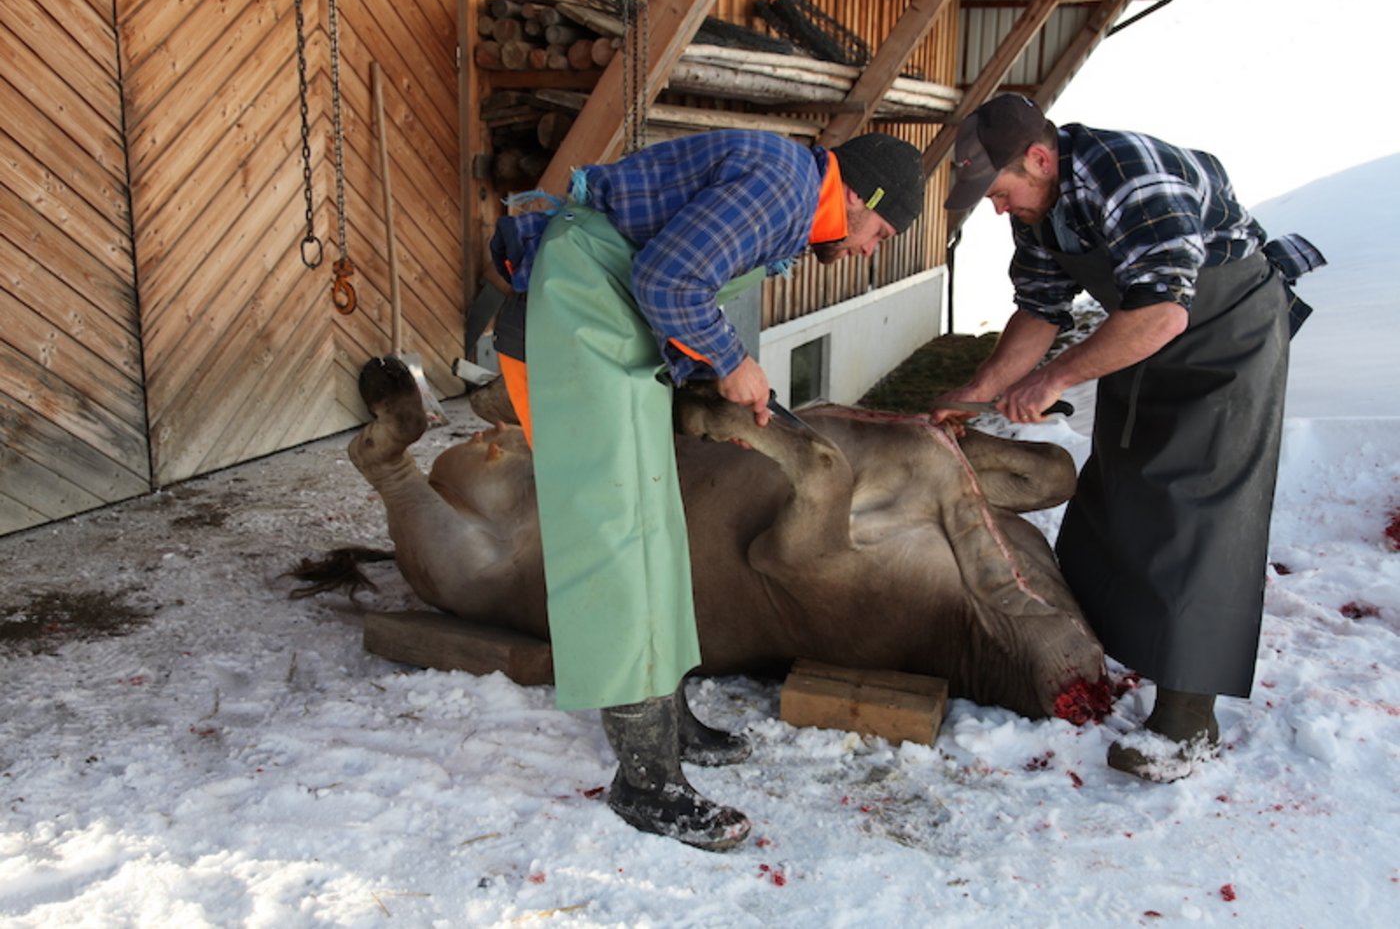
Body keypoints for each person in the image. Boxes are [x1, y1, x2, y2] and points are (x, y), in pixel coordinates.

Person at [488, 129, 928, 848]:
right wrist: (731, 361)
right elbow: (668, 279)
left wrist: (706, 370)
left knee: (658, 520)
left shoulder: (788, 193)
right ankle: (644, 778)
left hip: (608, 319)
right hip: (570, 317)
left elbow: (669, 264)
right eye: (880, 231)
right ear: (858, 195)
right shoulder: (787, 187)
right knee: (615, 538)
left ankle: (669, 720)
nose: (871, 249)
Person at [933, 95, 1324, 782]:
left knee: (1196, 512)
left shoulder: (1132, 174)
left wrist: (1052, 381)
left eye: (999, 193)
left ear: (1040, 158)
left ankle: (1187, 719)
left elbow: (1165, 311)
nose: (997, 209)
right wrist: (972, 395)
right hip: (1142, 334)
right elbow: (1040, 310)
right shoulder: (1041, 210)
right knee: (1114, 488)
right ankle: (1108, 651)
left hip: (1223, 337)